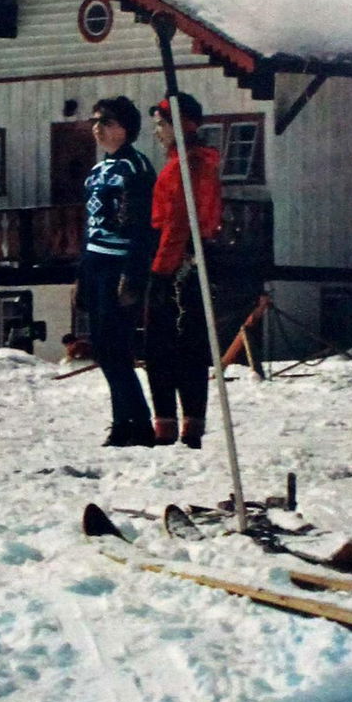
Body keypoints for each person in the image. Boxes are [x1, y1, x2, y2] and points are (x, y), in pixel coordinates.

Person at [144, 91, 223, 448]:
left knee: (163, 345)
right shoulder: (199, 162)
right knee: (190, 344)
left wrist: (160, 272)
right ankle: (191, 420)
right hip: (196, 255)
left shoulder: (185, 166)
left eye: (162, 125)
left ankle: (167, 423)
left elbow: (177, 221)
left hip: (177, 259)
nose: (158, 132)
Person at [79, 96, 157, 447]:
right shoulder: (97, 171)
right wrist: (81, 275)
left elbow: (143, 227)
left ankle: (137, 422)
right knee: (102, 347)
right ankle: (122, 419)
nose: (99, 128)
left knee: (117, 346)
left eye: (107, 122)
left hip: (120, 264)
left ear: (126, 128)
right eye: (95, 121)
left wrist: (134, 274)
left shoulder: (137, 168)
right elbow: (90, 226)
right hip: (95, 263)